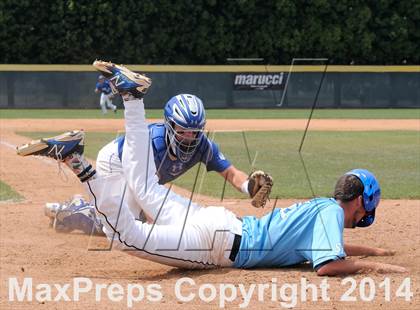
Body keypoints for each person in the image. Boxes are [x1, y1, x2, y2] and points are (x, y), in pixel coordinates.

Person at [17, 61, 405, 275]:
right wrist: (375, 267)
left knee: (145, 191)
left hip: (221, 224)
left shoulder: (324, 214)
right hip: (219, 244)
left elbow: (330, 248)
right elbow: (329, 264)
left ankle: (129, 101)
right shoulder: (329, 217)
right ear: (360, 201)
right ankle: (76, 160)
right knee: (127, 235)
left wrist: (376, 248)